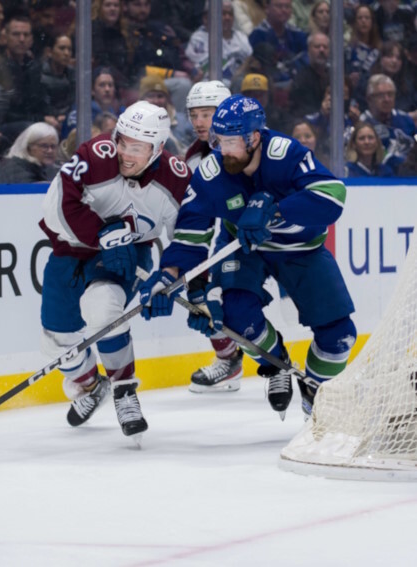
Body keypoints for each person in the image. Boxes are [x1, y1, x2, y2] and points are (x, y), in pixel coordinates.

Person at [139, 94, 355, 420]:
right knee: (236, 315)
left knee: (340, 335)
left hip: (300, 249)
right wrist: (168, 275)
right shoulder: (212, 171)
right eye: (218, 140)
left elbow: (333, 195)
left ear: (254, 137)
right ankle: (275, 363)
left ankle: (315, 394)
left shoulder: (285, 154)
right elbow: (191, 234)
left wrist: (277, 211)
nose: (222, 149)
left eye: (230, 141)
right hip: (243, 247)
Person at [38, 101, 192, 439]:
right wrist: (102, 233)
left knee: (103, 309)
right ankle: (91, 385)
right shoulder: (95, 155)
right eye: (123, 141)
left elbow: (188, 236)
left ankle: (124, 391)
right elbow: (58, 205)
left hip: (128, 255)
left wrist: (171, 277)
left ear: (159, 148)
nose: (125, 153)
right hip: (72, 249)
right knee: (56, 335)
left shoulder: (175, 178)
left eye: (137, 148)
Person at [182, 80, 246, 392]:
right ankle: (229, 359)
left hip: (273, 235)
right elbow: (196, 215)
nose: (198, 122)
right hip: (231, 236)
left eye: (206, 114)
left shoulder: (254, 141)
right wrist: (192, 262)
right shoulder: (194, 159)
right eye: (194, 115)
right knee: (209, 296)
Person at [185, 0, 252, 83]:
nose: (227, 17)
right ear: (206, 18)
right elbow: (206, 68)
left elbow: (250, 60)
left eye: (230, 14)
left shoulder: (241, 37)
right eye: (223, 13)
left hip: (240, 81)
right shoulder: (199, 38)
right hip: (209, 83)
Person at [359, 74, 417, 164]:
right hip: (376, 176)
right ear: (369, 99)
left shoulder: (406, 120)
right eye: (380, 95)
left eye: (390, 94)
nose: (387, 99)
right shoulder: (361, 123)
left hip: (409, 174)